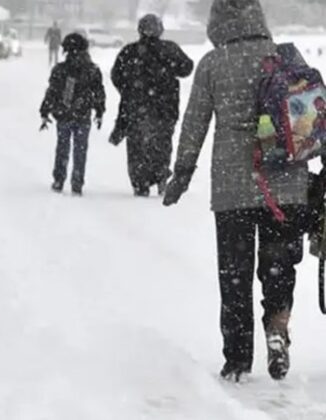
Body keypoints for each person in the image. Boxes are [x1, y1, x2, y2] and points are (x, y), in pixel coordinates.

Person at [163, 0, 308, 382]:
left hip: (233, 187)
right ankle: (277, 327)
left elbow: (194, 123)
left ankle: (238, 359)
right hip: (287, 185)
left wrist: (181, 173)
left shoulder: (213, 63)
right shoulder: (282, 57)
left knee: (235, 275)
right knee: (278, 268)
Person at [111, 14, 193, 197]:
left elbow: (116, 76)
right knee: (162, 144)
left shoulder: (129, 52)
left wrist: (129, 90)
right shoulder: (170, 49)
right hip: (166, 108)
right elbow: (187, 68)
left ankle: (140, 182)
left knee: (137, 147)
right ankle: (161, 174)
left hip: (136, 109)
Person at [40, 33, 106, 196]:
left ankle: (59, 179)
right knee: (80, 149)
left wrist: (45, 110)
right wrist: (99, 110)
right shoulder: (92, 70)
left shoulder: (60, 69)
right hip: (83, 115)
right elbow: (99, 92)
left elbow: (52, 92)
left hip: (63, 114)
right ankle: (77, 182)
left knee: (62, 147)